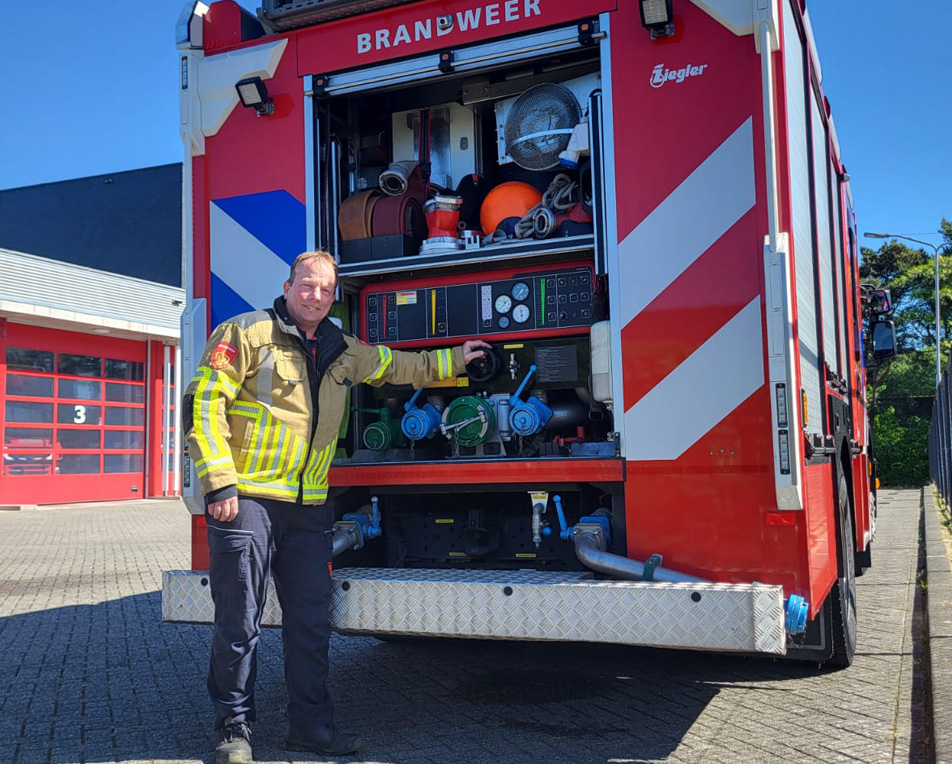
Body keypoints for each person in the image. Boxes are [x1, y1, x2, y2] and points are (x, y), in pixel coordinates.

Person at [183, 250, 490, 764]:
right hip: (249, 500)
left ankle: (310, 728)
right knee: (239, 623)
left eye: (326, 290)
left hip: (308, 506)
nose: (316, 296)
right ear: (287, 286)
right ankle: (232, 731)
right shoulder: (245, 334)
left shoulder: (342, 348)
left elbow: (399, 366)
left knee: (310, 621)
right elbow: (203, 402)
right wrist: (218, 484)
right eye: (308, 286)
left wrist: (456, 359)